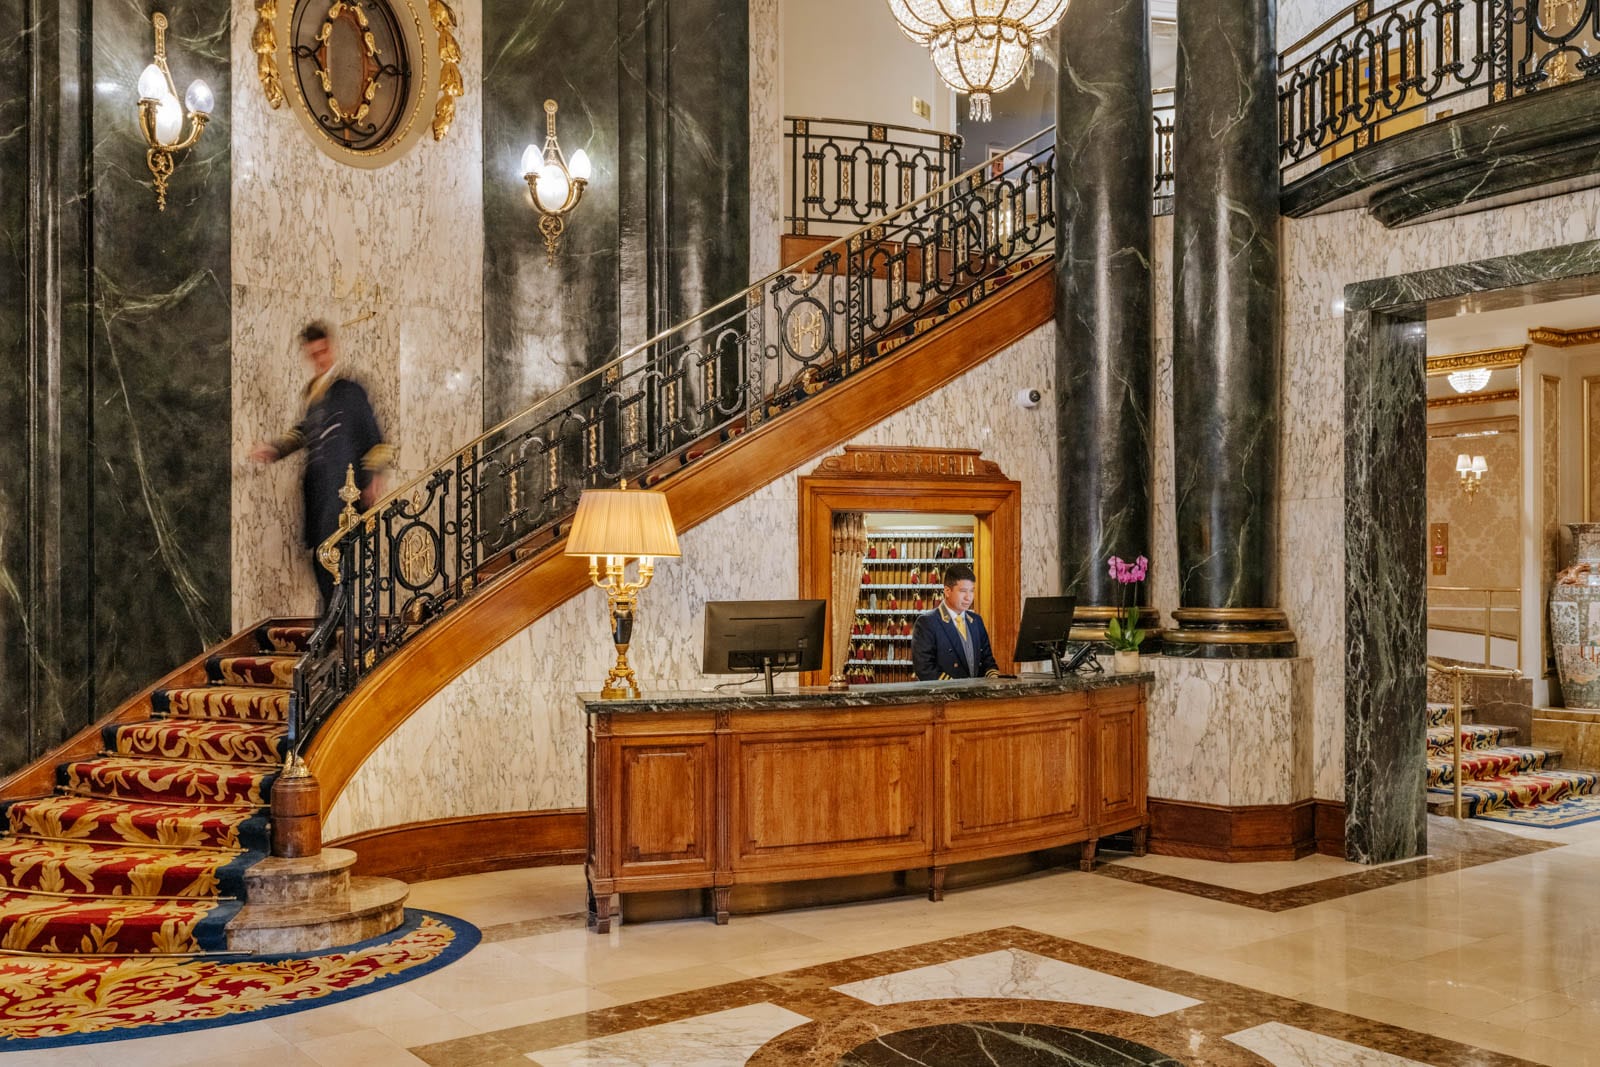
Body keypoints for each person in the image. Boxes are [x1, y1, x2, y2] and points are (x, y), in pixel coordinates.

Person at [250, 321, 393, 610]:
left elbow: (375, 437)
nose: (320, 359)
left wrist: (374, 478)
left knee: (337, 560)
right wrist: (275, 449)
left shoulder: (349, 390)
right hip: (318, 492)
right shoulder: (313, 394)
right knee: (321, 557)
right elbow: (304, 431)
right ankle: (332, 624)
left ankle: (339, 627)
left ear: (332, 348)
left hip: (344, 493)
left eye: (323, 351)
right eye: (313, 354)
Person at [911, 562, 1000, 681]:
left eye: (972, 591)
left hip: (977, 696)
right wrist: (957, 688)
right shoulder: (927, 623)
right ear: (947, 591)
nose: (968, 597)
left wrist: (995, 681)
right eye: (963, 591)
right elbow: (925, 669)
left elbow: (988, 660)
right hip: (946, 696)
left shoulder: (976, 621)